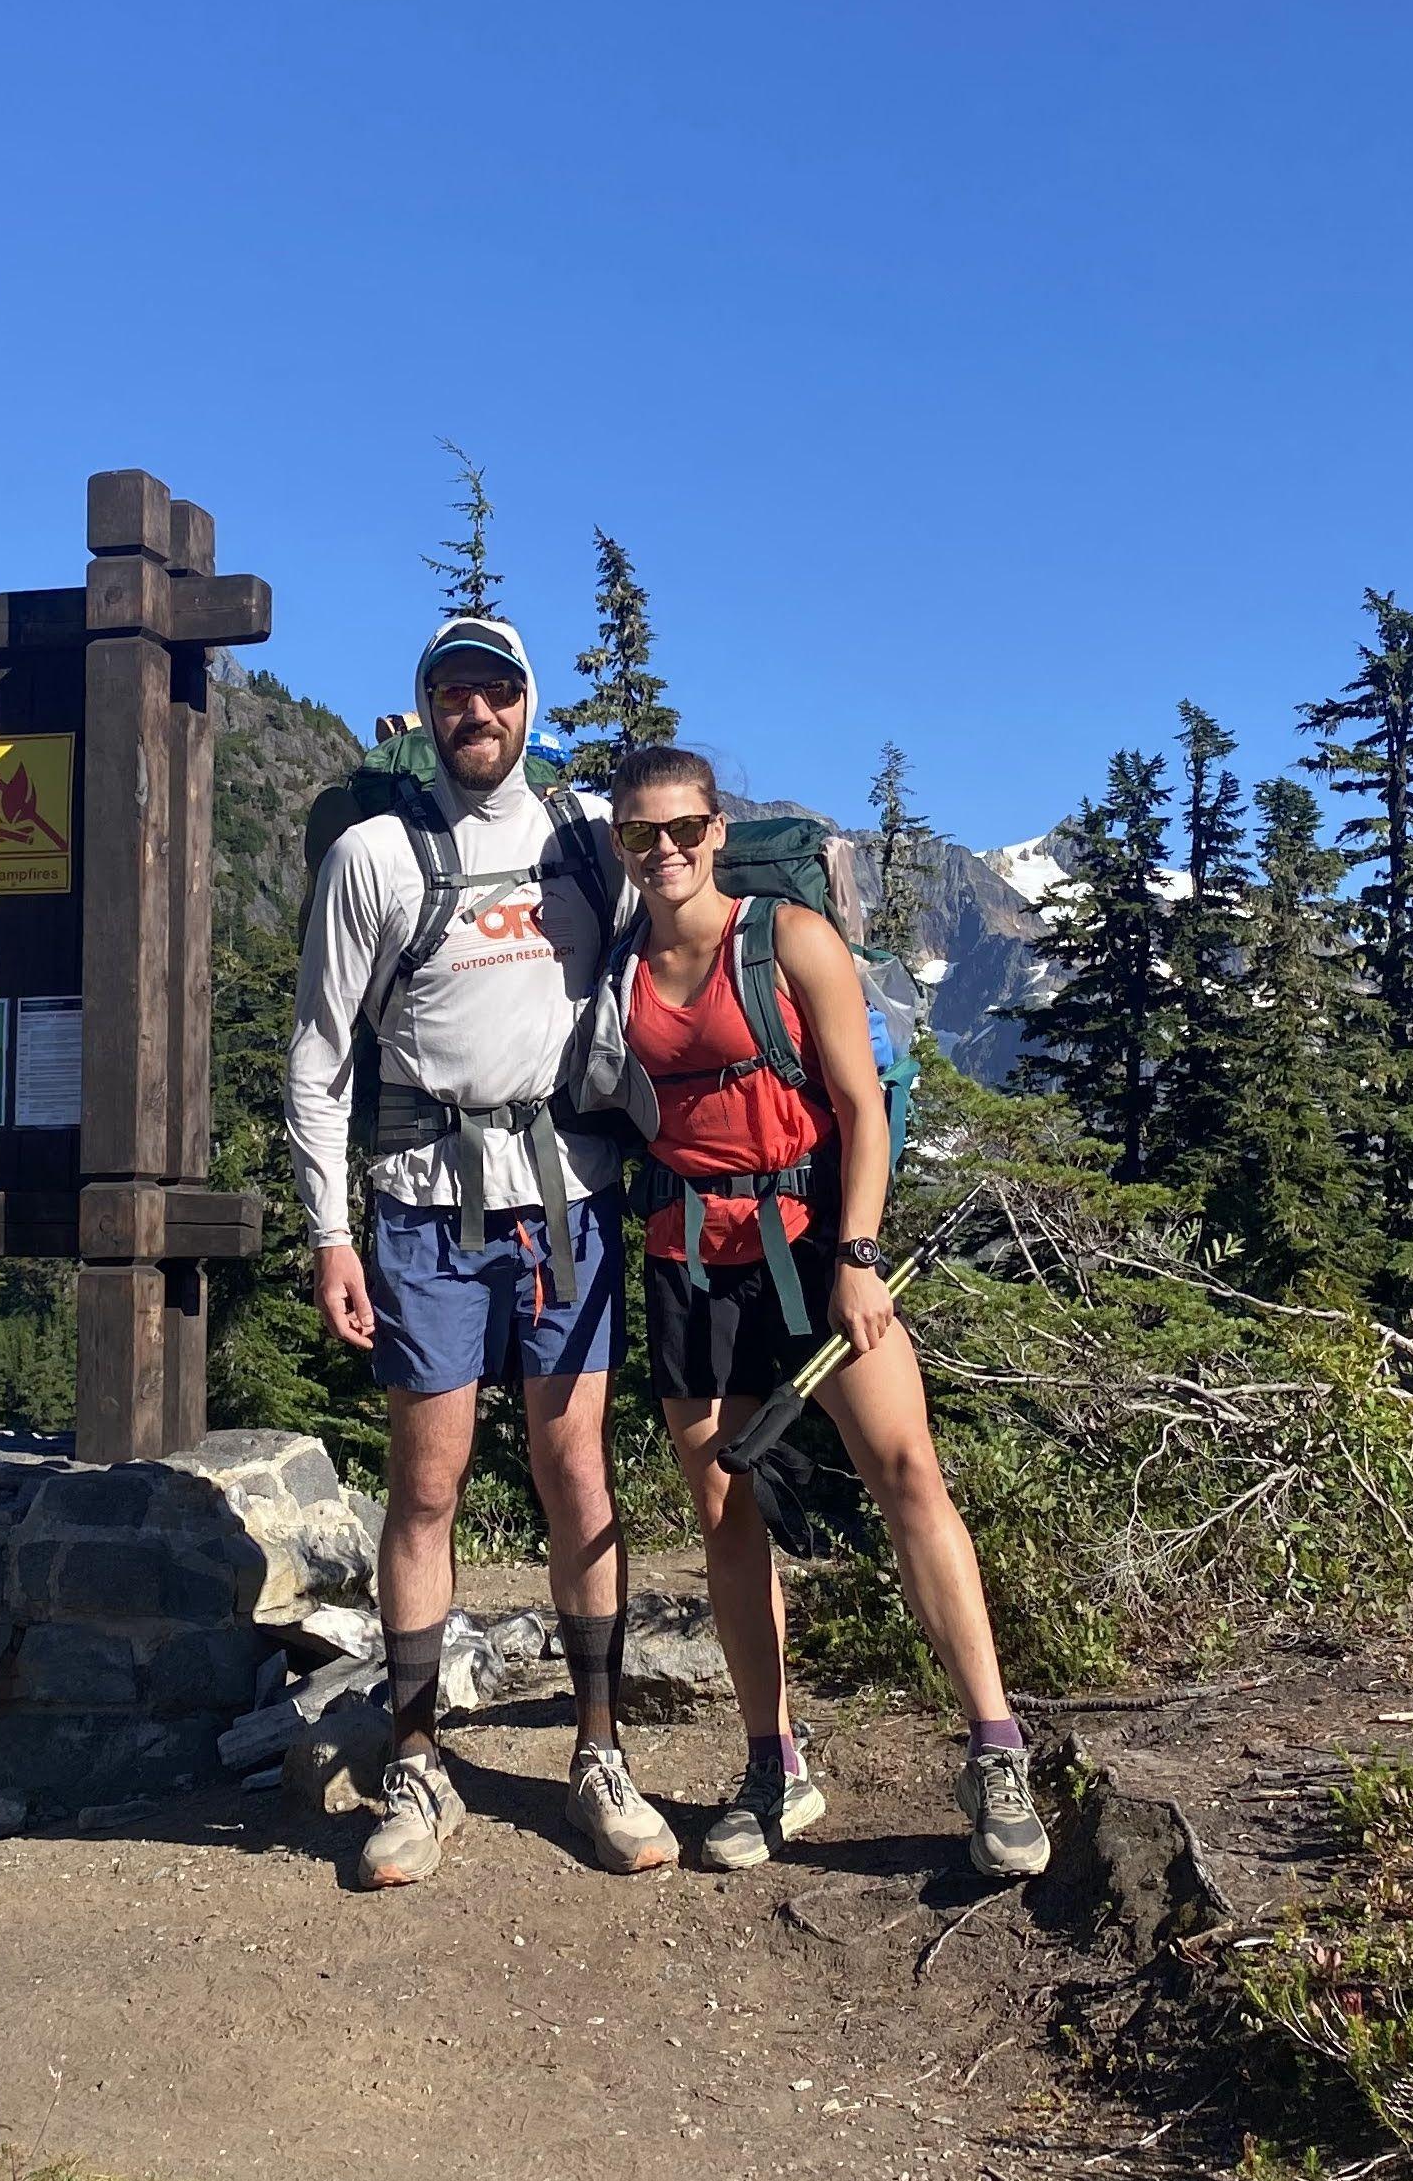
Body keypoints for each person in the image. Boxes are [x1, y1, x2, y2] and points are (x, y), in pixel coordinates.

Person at [585, 741, 1051, 1883]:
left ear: (717, 830)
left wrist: (857, 1252)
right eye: (641, 834)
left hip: (810, 1245)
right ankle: (772, 1763)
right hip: (687, 1258)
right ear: (622, 844)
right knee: (725, 1513)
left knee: (907, 1474)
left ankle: (996, 1750)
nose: (665, 851)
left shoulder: (791, 940)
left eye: (684, 829)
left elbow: (859, 1106)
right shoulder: (615, 966)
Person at [287, 613, 670, 1886]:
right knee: (428, 1487)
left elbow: (666, 960)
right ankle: (415, 1763)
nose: (477, 715)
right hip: (418, 1210)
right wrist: (329, 1234)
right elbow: (319, 1060)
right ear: (429, 711)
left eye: (496, 693)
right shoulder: (373, 858)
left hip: (564, 1202)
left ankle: (598, 1754)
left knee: (578, 1477)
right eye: (453, 695)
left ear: (527, 704)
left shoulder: (581, 843)